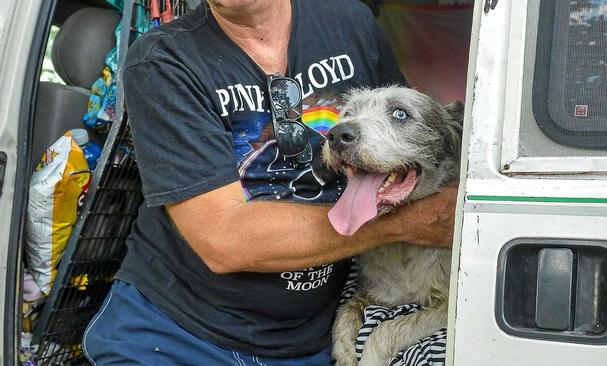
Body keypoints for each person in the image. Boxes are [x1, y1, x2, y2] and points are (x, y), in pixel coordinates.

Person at [82, 0, 458, 365]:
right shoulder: (163, 61)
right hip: (174, 337)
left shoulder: (350, 21)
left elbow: (409, 140)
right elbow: (224, 240)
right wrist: (412, 222)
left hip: (310, 340)